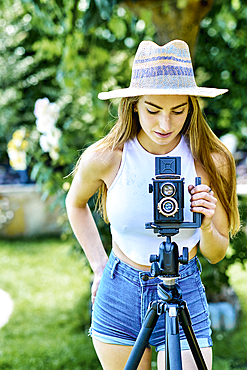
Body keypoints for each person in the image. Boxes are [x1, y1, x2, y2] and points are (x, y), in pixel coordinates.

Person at [65, 40, 240, 370]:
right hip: (120, 291)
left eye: (178, 111)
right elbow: (75, 203)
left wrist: (205, 222)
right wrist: (100, 266)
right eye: (153, 110)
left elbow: (217, 252)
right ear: (133, 105)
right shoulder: (106, 158)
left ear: (192, 106)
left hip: (184, 285)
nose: (165, 125)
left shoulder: (211, 162)